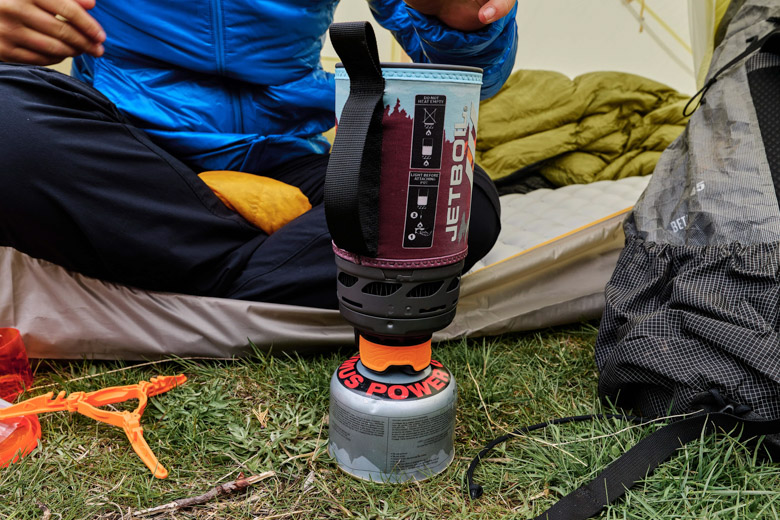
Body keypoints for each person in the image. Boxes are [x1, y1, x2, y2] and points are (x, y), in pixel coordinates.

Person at [0, 0, 517, 309]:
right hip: (125, 148)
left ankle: (169, 264)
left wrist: (462, 27)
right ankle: (274, 267)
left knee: (462, 201)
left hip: (285, 155)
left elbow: (456, 82)